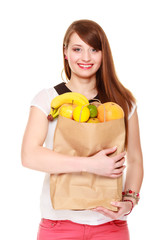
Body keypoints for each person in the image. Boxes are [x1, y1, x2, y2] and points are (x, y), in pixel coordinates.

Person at [21, 19, 143, 240]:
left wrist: (130, 201)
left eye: (94, 49)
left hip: (111, 225)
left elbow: (135, 158)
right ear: (66, 52)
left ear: (103, 54)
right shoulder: (48, 99)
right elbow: (29, 156)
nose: (86, 58)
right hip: (58, 224)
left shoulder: (123, 102)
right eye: (77, 49)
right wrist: (90, 165)